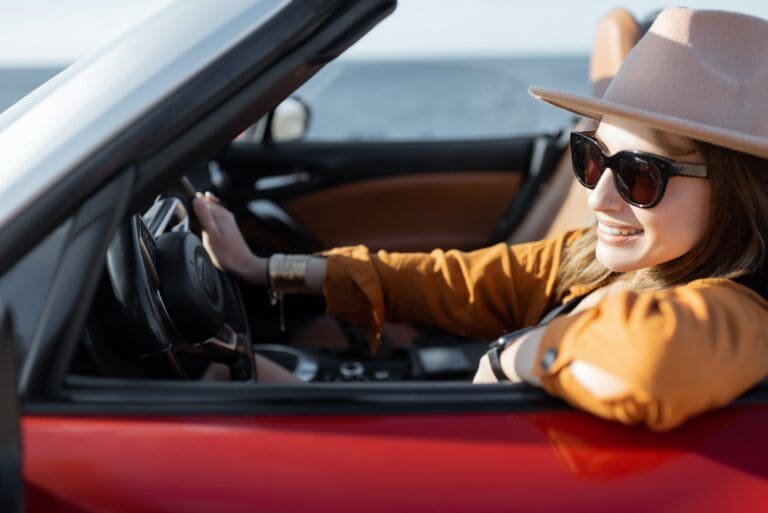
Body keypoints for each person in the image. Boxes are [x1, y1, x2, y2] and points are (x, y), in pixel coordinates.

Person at [192, 7, 768, 431]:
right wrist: (266, 269)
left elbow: (651, 361)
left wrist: (509, 358)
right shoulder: (594, 260)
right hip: (469, 447)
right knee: (230, 376)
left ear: (740, 194)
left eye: (642, 176)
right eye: (591, 160)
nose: (598, 198)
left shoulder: (745, 310)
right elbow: (460, 279)